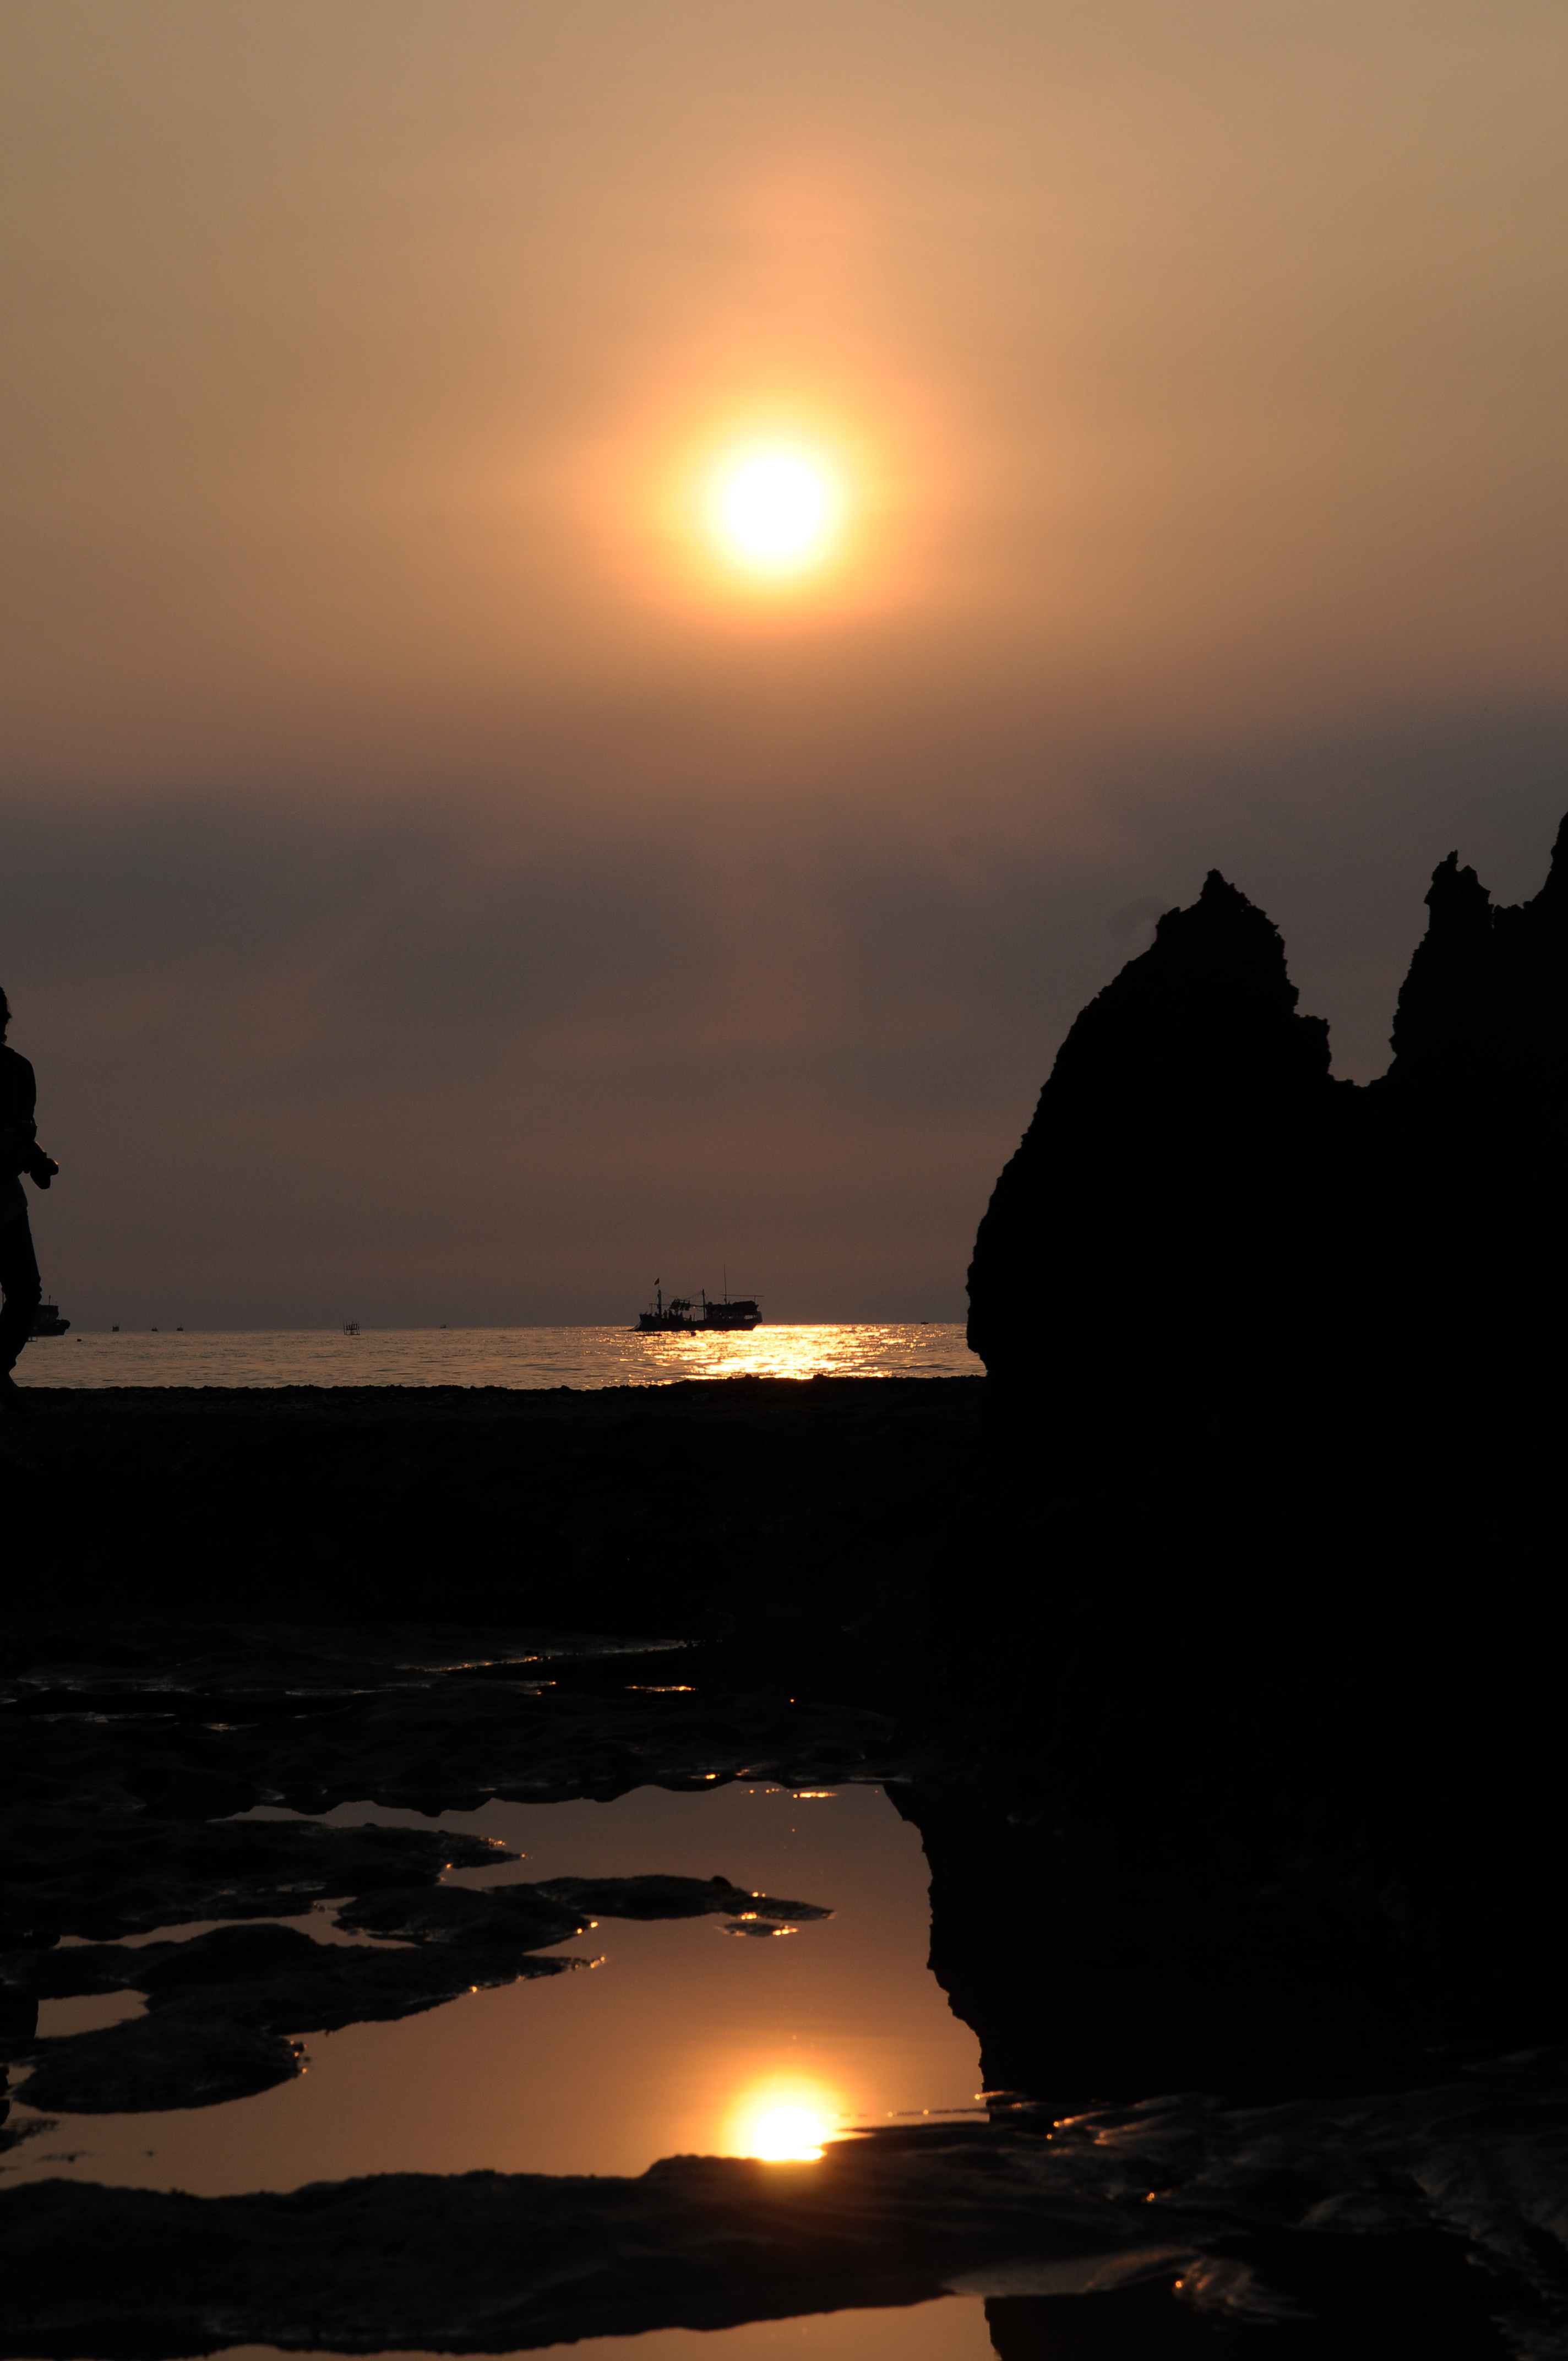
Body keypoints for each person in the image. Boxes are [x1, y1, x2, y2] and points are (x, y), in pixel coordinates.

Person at [0, 987, 59, 1413]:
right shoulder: (17, 1069)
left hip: (4, 1198)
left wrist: (36, 1159)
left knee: (24, 1292)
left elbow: (23, 1128)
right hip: (4, 1198)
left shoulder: (18, 1069)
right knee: (24, 1292)